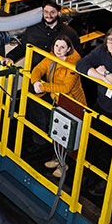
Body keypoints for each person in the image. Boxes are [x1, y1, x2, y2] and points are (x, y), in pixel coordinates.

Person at [28, 35, 86, 178]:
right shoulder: (52, 57)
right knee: (58, 131)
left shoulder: (73, 63)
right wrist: (36, 82)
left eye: (62, 47)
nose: (58, 50)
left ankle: (64, 164)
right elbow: (38, 69)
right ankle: (57, 159)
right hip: (58, 101)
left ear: (68, 49)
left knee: (69, 136)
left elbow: (66, 88)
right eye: (56, 46)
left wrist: (44, 87)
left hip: (73, 104)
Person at [3, 1, 82, 62]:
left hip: (56, 79)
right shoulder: (33, 29)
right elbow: (23, 47)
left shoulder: (69, 33)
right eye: (46, 12)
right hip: (33, 77)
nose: (49, 15)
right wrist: (10, 57)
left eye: (52, 12)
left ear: (59, 13)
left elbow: (77, 56)